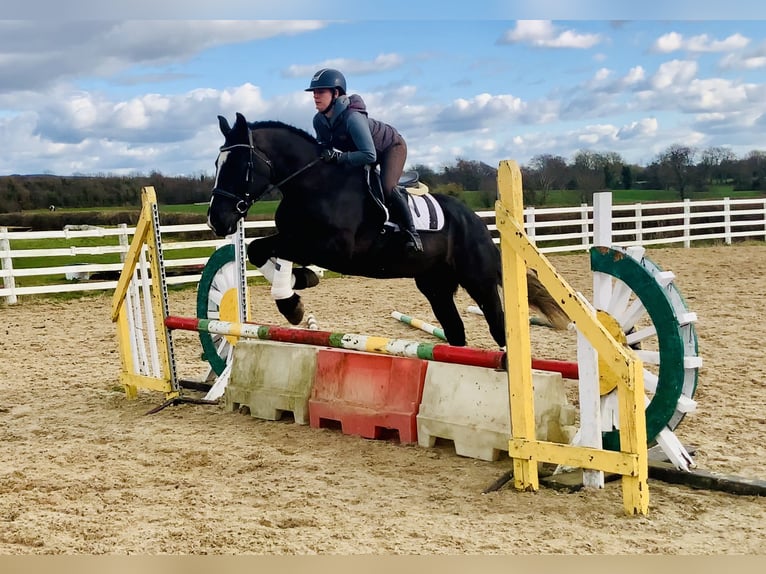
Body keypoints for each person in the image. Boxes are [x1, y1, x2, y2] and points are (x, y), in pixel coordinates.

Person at [305, 68, 423, 253]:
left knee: (387, 187)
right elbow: (325, 150)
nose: (315, 96)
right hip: (361, 152)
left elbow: (369, 155)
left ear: (336, 93)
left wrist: (339, 157)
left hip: (390, 148)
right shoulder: (318, 121)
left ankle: (412, 234)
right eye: (314, 92)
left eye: (320, 92)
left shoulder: (353, 118)